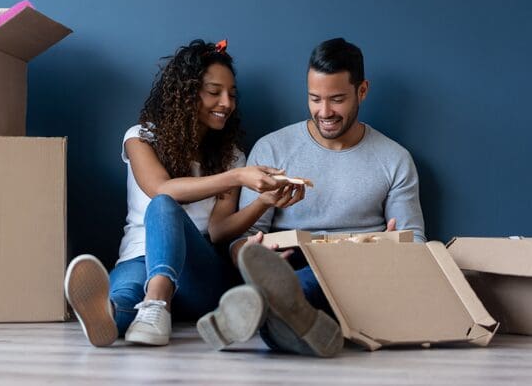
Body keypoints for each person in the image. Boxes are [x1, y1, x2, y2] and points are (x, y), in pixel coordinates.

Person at [63, 39, 305, 347]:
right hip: (139, 257)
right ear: (187, 93)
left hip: (197, 272)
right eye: (214, 92)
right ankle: (114, 315)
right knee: (125, 292)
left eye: (231, 94)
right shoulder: (140, 138)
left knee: (164, 207)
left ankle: (156, 304)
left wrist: (262, 202)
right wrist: (236, 178)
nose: (226, 103)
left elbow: (218, 231)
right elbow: (162, 188)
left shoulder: (231, 156)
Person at [198, 37, 426, 357]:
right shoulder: (272, 149)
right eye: (315, 98)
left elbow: (414, 241)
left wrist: (391, 249)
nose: (325, 111)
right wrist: (247, 256)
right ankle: (293, 318)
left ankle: (258, 306)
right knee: (293, 279)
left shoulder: (394, 159)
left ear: (362, 91)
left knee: (312, 279)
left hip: (360, 267)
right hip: (289, 260)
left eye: (337, 99)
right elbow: (243, 236)